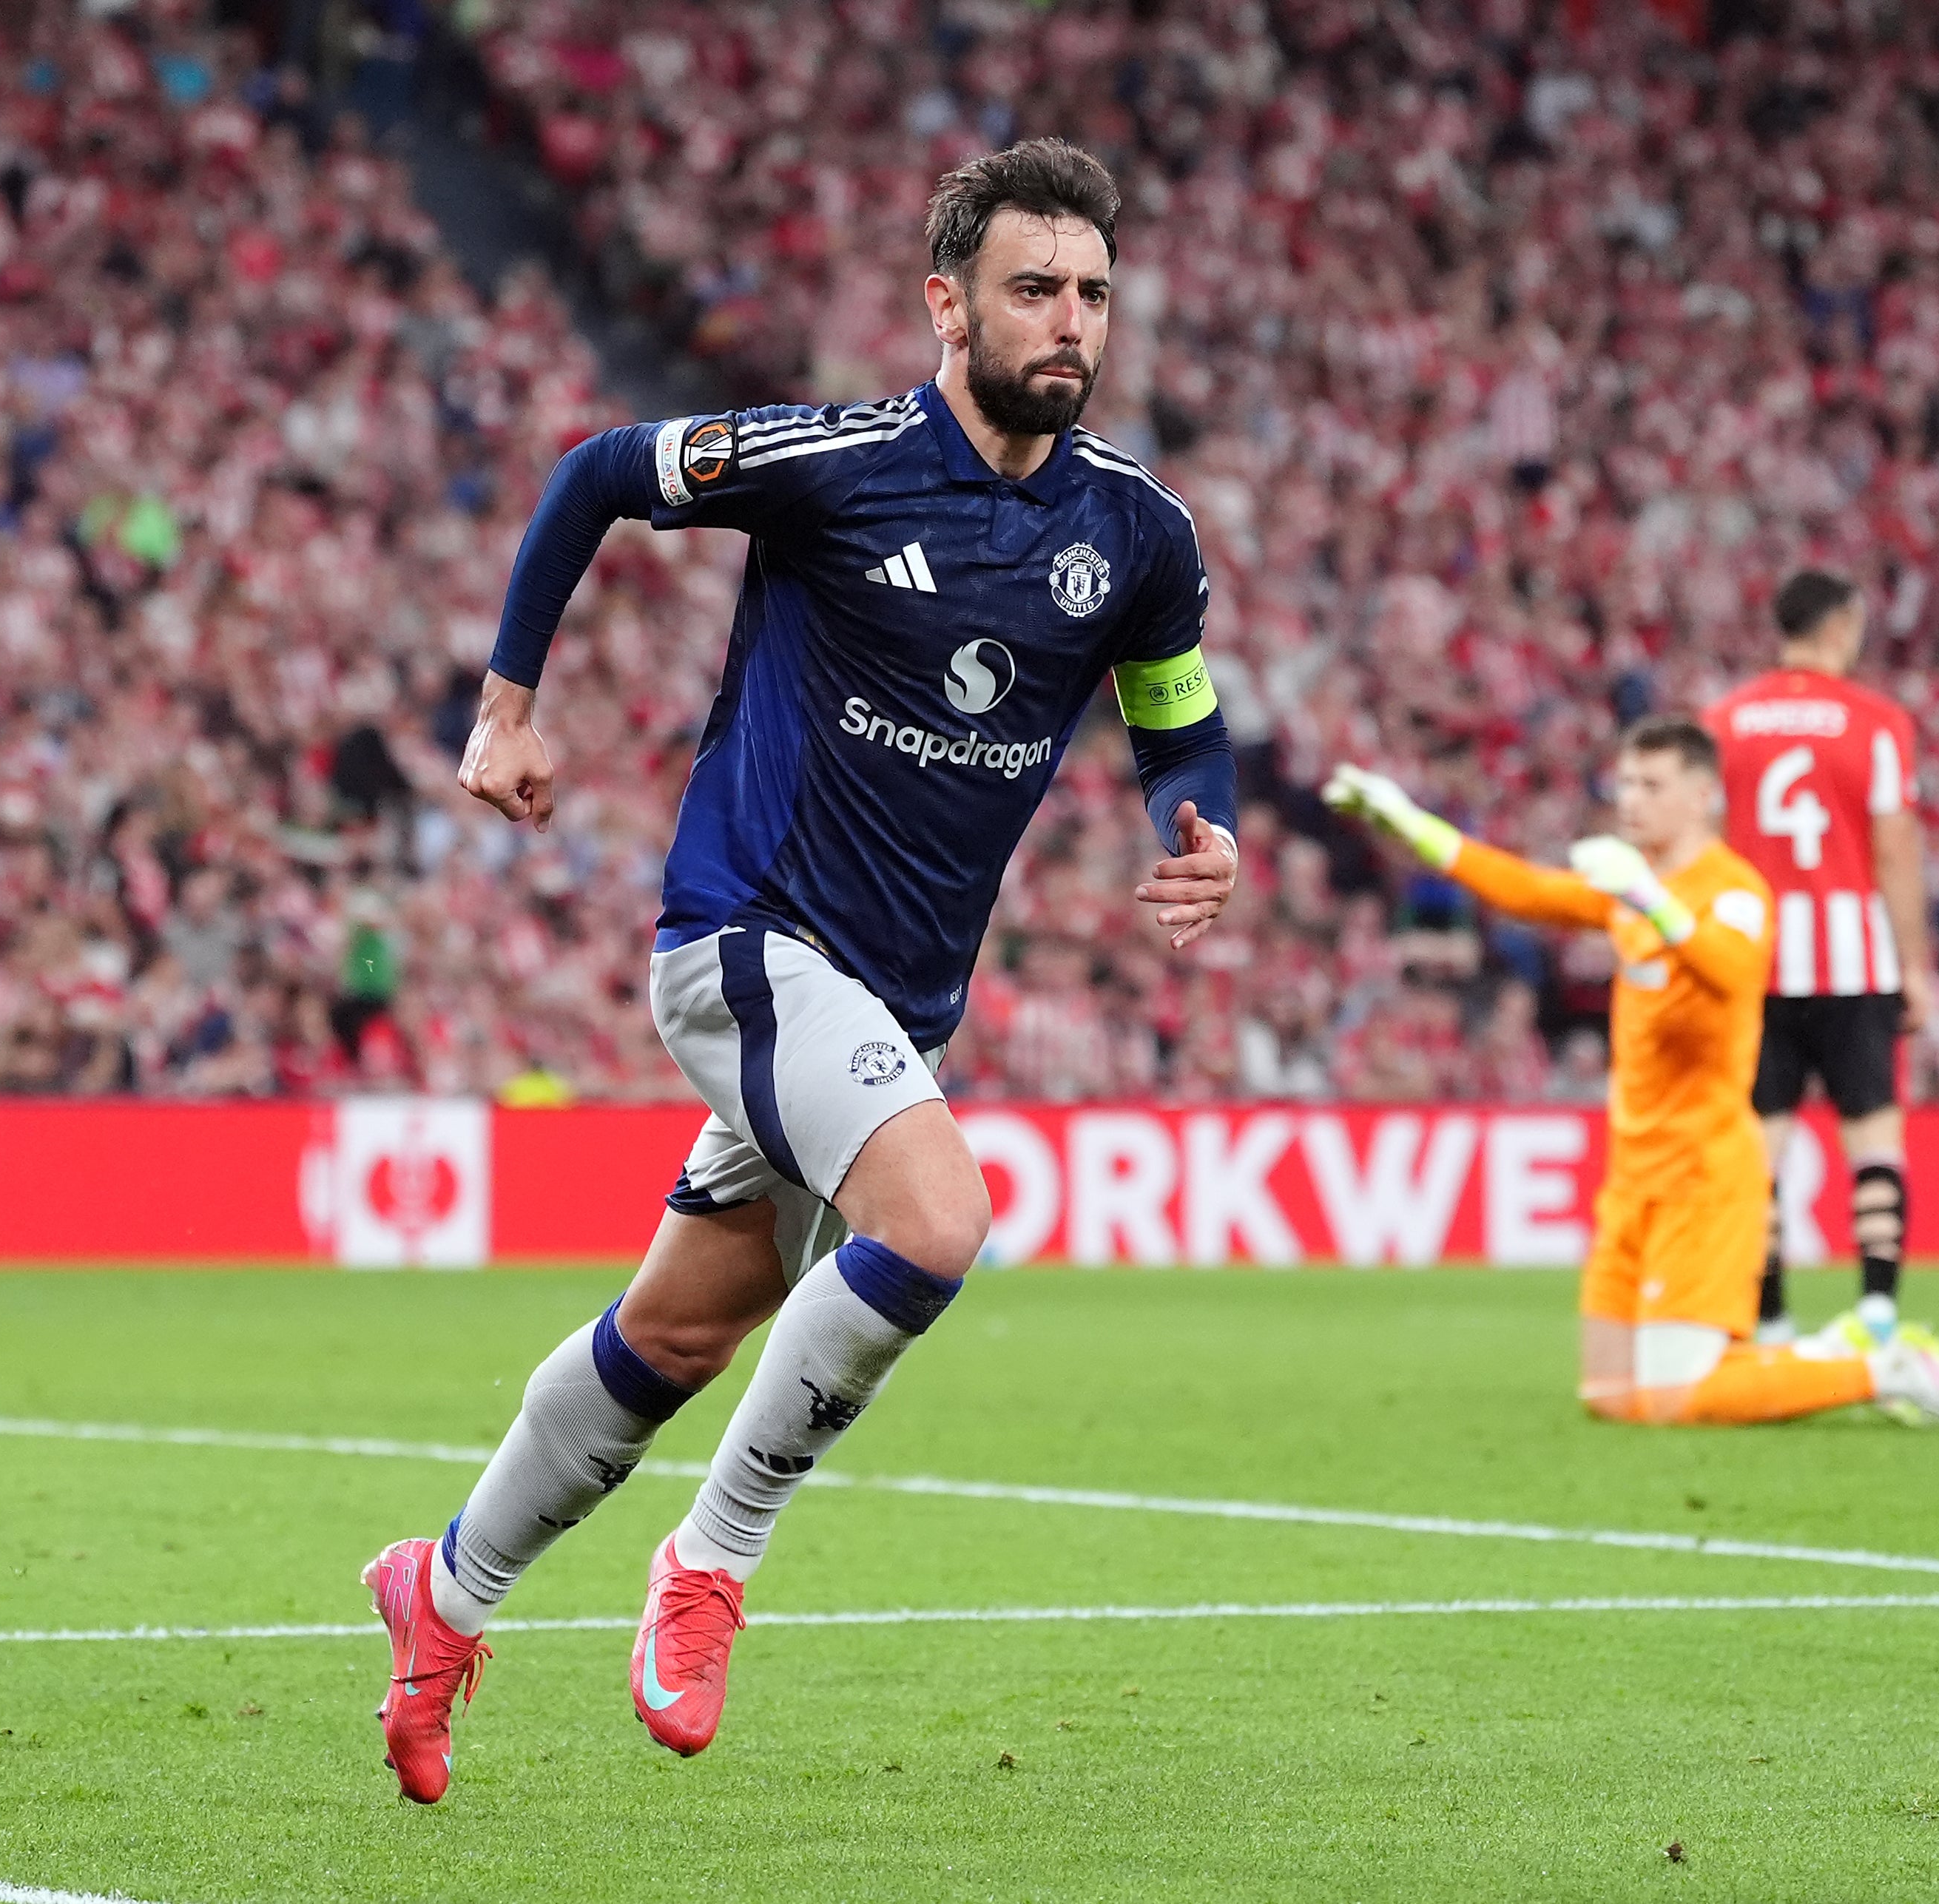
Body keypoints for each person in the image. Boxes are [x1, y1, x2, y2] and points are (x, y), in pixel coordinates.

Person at [360, 139, 1242, 1800]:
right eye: (1035, 289)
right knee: (939, 1220)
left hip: (895, 1004)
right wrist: (506, 704)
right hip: (745, 940)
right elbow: (596, 473)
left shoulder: (1136, 532)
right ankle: (711, 1564)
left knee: (674, 1339)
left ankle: (446, 1593)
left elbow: (1178, 710)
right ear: (946, 303)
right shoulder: (835, 462)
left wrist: (1201, 823)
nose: (1072, 324)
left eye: (1094, 295)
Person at [1321, 721, 1939, 1433]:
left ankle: (1888, 1369)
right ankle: (1824, 1352)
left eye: (1652, 785)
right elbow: (1522, 888)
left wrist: (1652, 901)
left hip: (1704, 1177)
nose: (1631, 800)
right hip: (1634, 1177)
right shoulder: (1631, 886)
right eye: (1626, 783)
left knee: (1676, 1399)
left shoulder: (1733, 890)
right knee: (1612, 1395)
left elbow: (1731, 969)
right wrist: (1406, 821)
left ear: (1704, 795)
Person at [1703, 572, 1932, 1350]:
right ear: (1840, 625)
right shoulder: (1876, 722)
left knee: (1759, 1150)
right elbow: (1894, 847)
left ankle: (1766, 1321)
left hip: (1754, 960)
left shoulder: (1725, 721)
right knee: (1873, 1138)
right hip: (1852, 958)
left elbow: (1703, 842)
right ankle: (1877, 1316)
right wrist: (1917, 966)